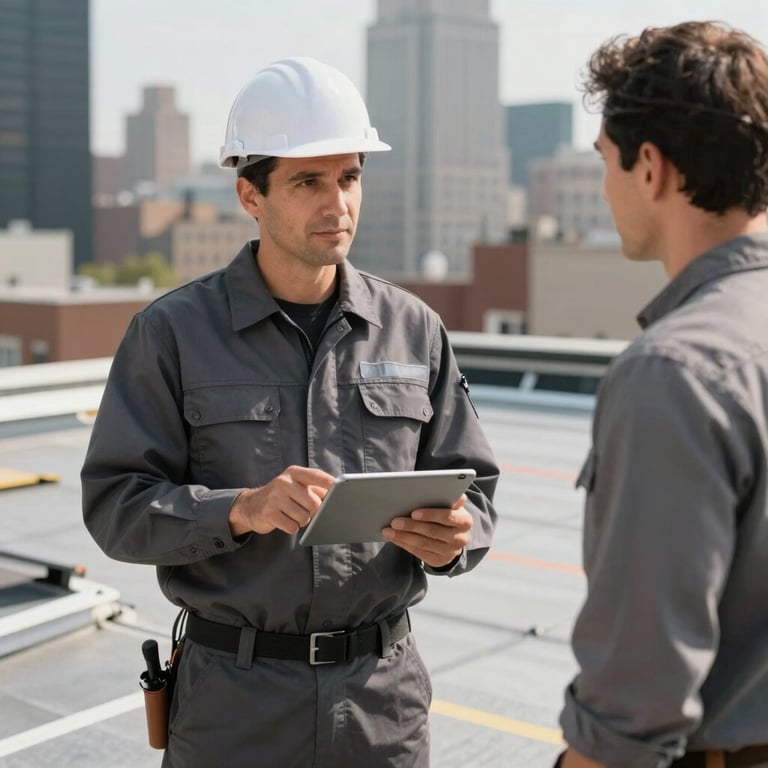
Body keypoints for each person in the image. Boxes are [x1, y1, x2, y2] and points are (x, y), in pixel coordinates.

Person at [81, 56, 498, 768]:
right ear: (251, 194)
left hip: (381, 703)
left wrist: (457, 537)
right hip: (233, 706)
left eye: (349, 178)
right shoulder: (172, 334)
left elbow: (476, 492)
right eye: (308, 182)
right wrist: (237, 510)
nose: (336, 203)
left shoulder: (414, 329)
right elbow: (115, 508)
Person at [557, 21, 768, 768]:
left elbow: (635, 699)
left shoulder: (677, 371)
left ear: (650, 168)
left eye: (606, 163)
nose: (606, 187)